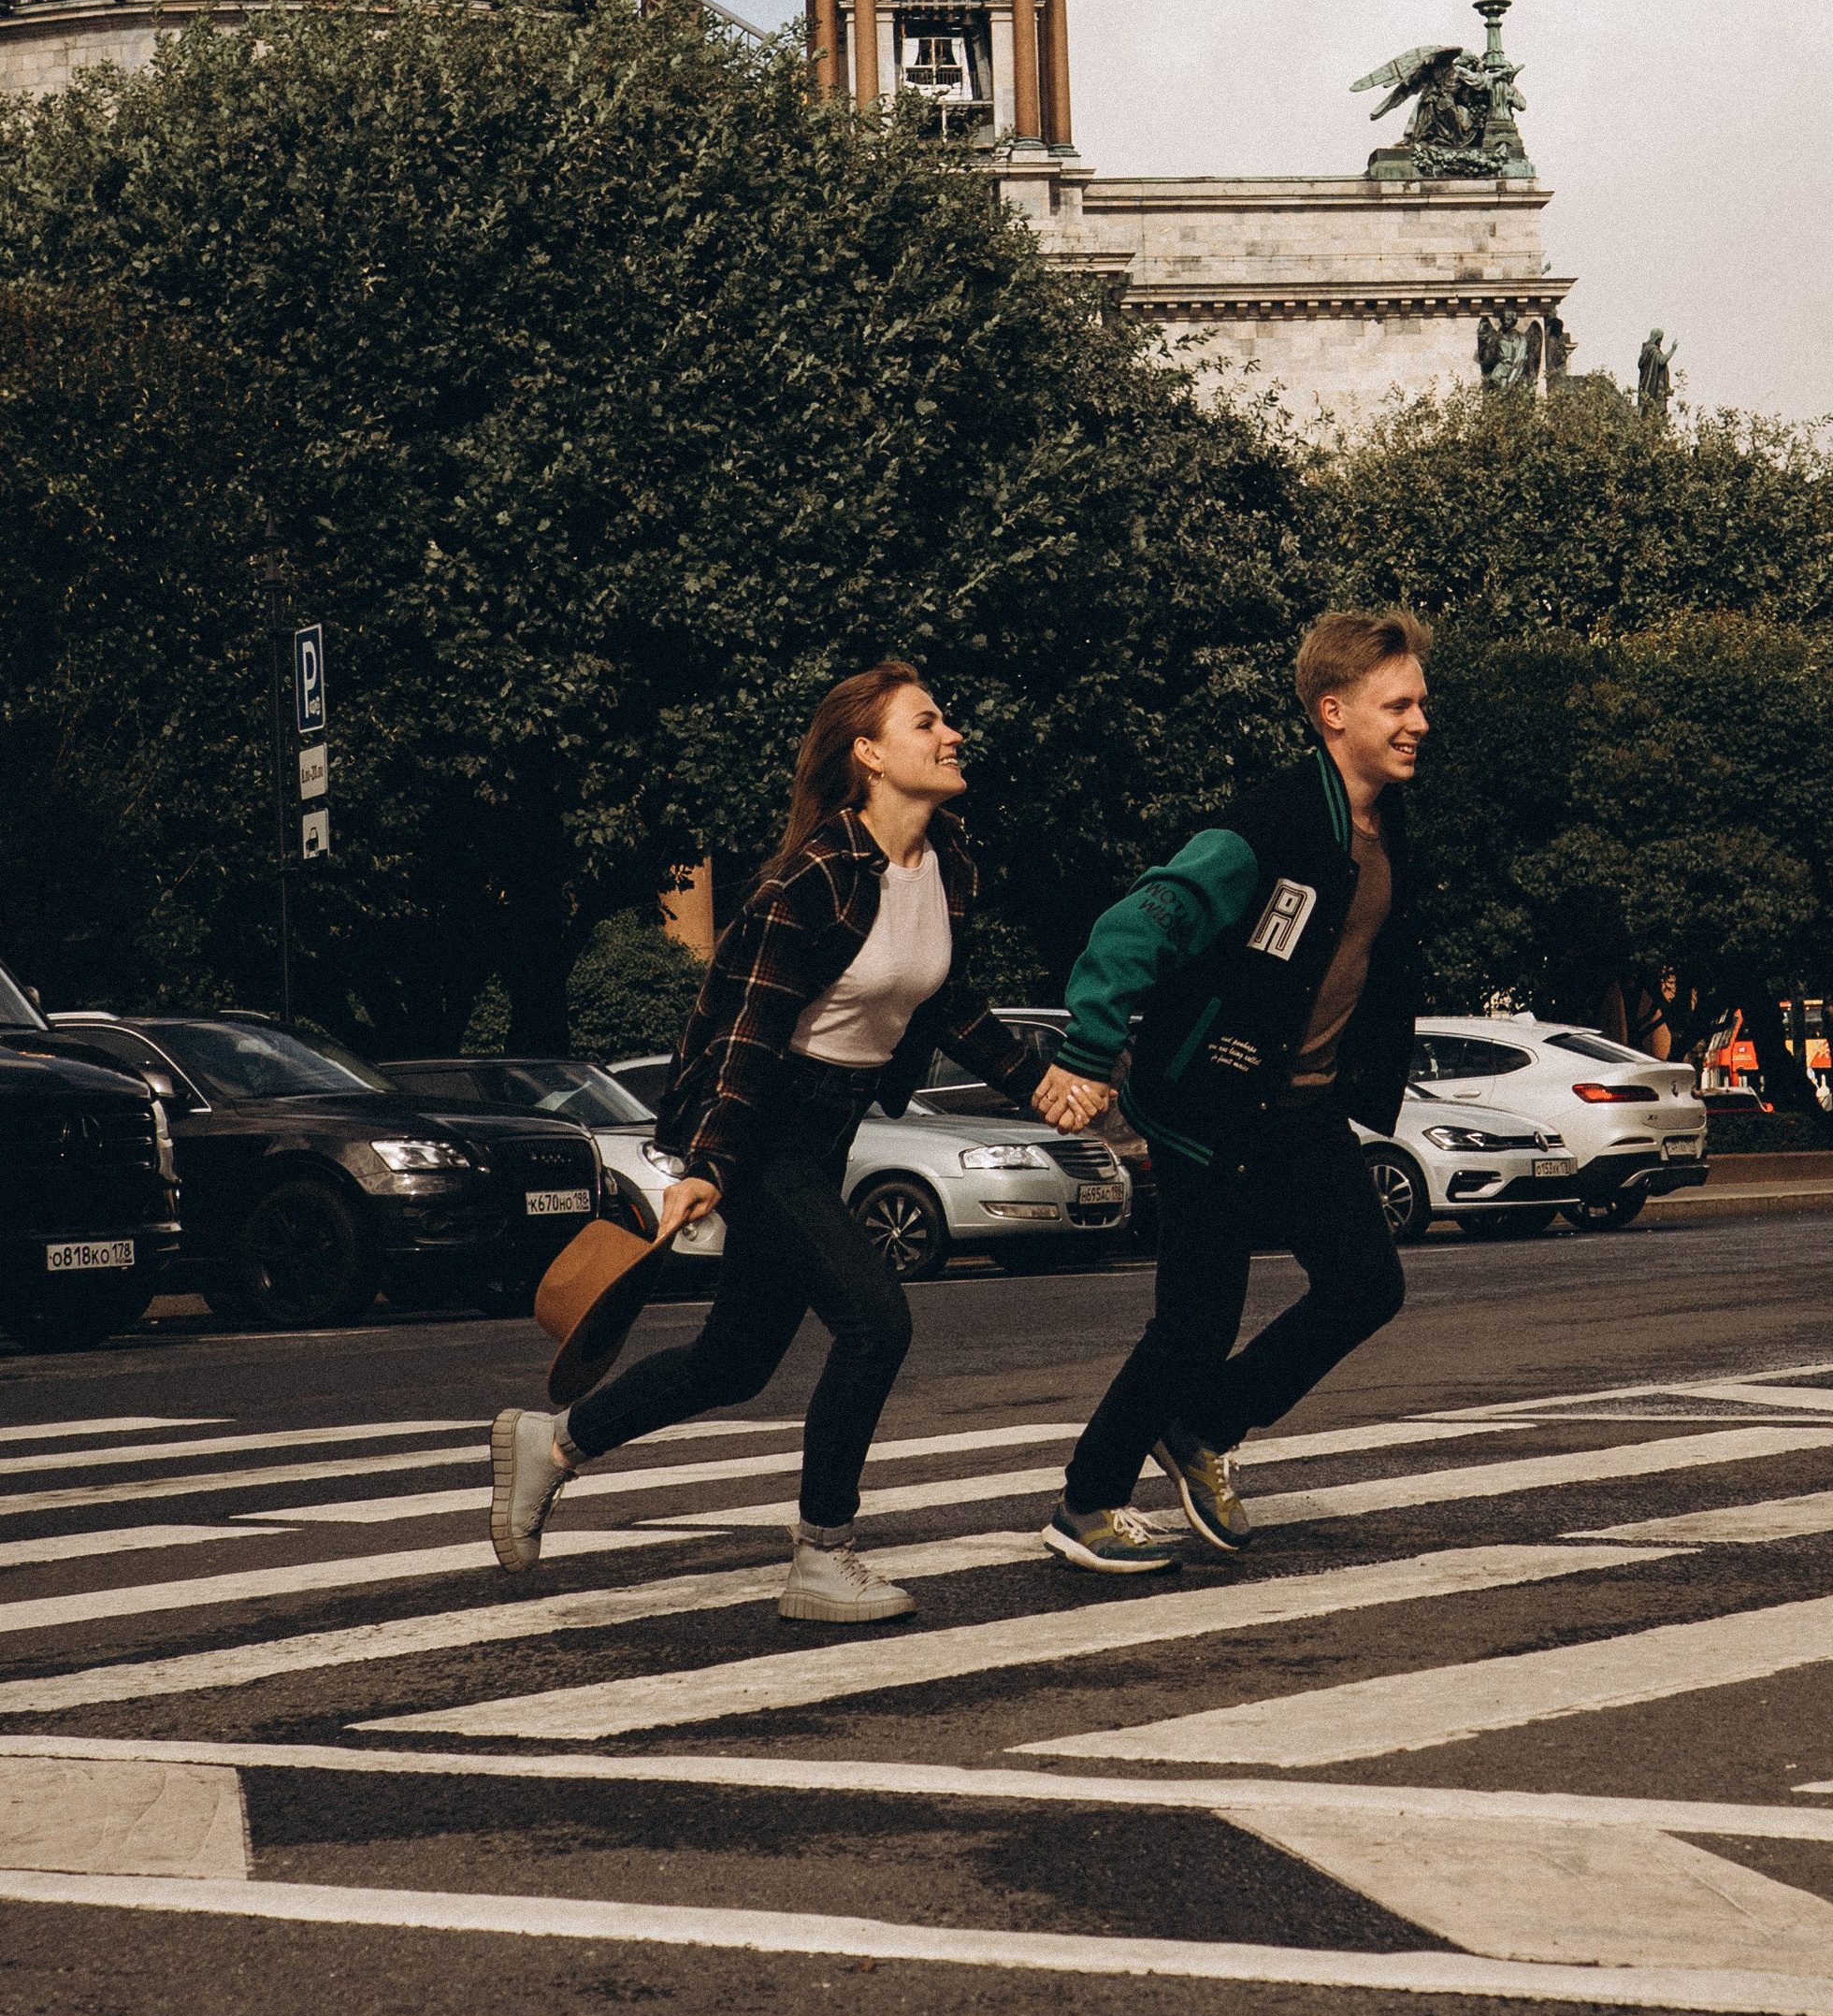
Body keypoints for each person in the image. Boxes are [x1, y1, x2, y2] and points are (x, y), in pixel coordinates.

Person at [488, 660, 1037, 1620]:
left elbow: (944, 1003)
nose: (952, 736)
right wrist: (710, 1163)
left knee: (734, 1360)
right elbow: (745, 1033)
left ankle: (555, 1443)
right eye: (927, 722)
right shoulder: (812, 875)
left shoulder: (945, 864)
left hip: (828, 1127)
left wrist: (1042, 1081)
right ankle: (822, 1554)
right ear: (868, 753)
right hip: (767, 1124)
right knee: (876, 1321)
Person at [1032, 610, 1424, 1574]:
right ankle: (1086, 1502)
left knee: (1366, 1285)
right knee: (1197, 1317)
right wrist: (1086, 1053)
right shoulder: (1267, 824)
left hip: (1301, 1108)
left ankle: (1205, 1426)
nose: (1419, 721)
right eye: (1398, 704)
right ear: (1334, 712)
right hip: (1209, 1104)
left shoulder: (1391, 829)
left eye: (1421, 702)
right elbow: (1132, 928)